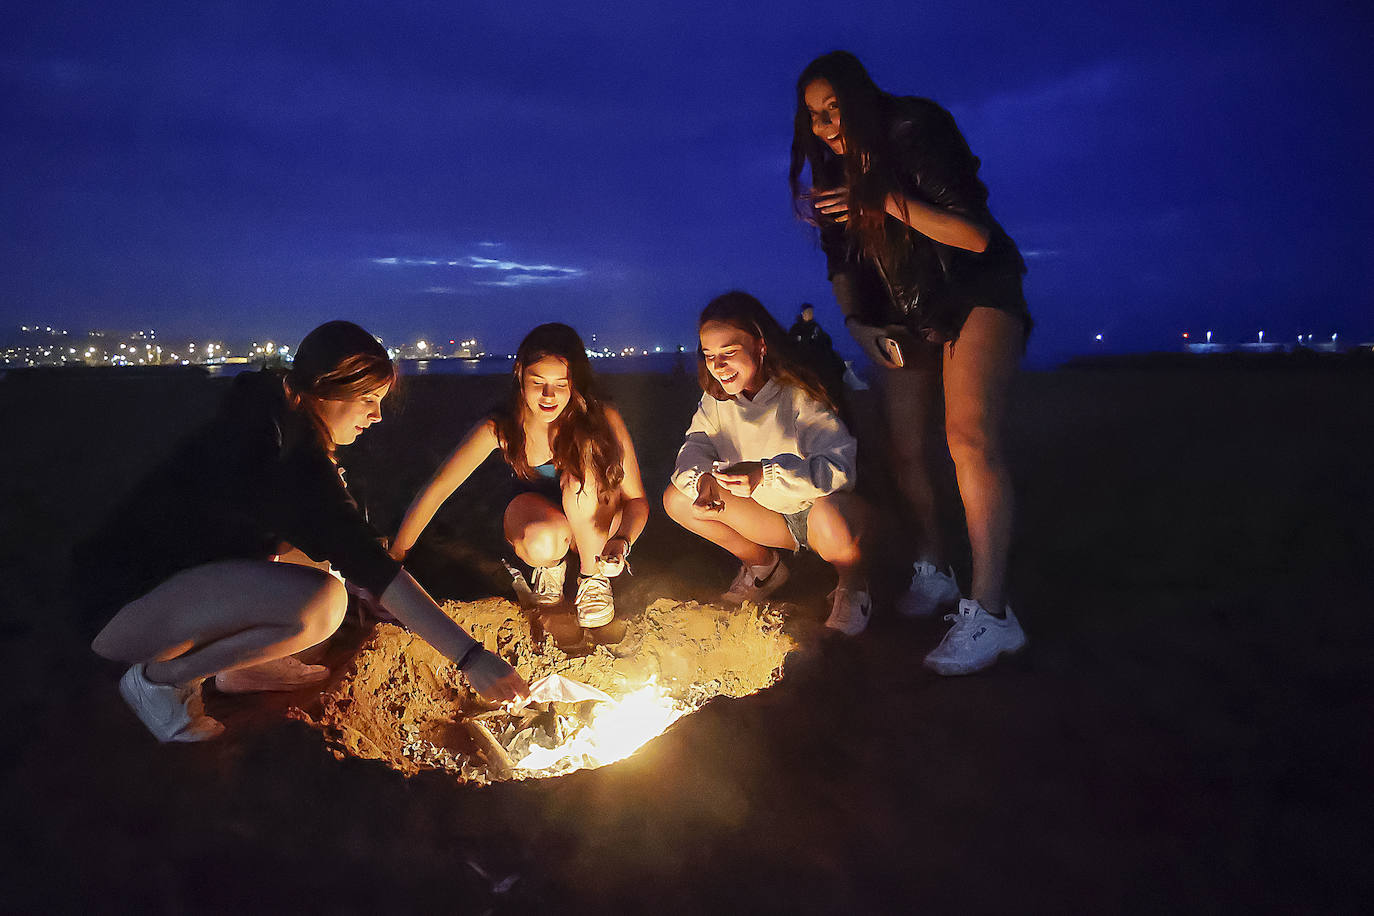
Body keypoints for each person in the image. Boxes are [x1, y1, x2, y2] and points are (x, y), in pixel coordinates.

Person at [85, 320, 528, 743]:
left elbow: (336, 542)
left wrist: (361, 571)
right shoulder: (284, 456)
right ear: (326, 388)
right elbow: (369, 563)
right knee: (322, 603)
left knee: (327, 570)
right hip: (121, 607)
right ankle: (158, 681)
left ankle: (242, 669)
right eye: (367, 398)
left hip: (176, 584)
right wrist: (471, 657)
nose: (376, 416)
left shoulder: (275, 417)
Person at [789, 50, 1030, 673]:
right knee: (901, 446)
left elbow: (974, 234)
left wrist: (882, 201)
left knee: (968, 438)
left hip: (975, 288)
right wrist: (856, 324)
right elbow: (840, 263)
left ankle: (993, 613)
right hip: (903, 311)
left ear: (861, 97)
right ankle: (935, 568)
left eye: (834, 107)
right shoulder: (832, 168)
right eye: (813, 116)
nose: (825, 125)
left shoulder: (915, 126)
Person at [390, 323, 647, 630]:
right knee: (542, 541)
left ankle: (593, 580)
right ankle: (550, 570)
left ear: (574, 383)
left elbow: (637, 501)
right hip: (541, 525)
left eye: (560, 384)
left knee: (580, 481)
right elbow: (440, 487)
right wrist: (395, 556)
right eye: (537, 382)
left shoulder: (601, 418)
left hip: (597, 530)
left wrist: (622, 541)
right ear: (520, 375)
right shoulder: (503, 426)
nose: (548, 395)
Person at [663, 291, 870, 635]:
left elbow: (840, 467)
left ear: (760, 346)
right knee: (678, 499)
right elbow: (695, 444)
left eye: (729, 352)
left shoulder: (797, 393)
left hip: (824, 511)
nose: (718, 366)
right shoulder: (717, 399)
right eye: (710, 355)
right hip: (774, 519)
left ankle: (853, 583)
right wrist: (702, 481)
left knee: (832, 521)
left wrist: (765, 474)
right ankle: (764, 568)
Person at [788, 303, 847, 405]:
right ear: (802, 313)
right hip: (802, 360)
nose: (810, 314)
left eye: (811, 312)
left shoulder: (816, 327)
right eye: (808, 312)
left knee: (836, 362)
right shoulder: (796, 328)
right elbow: (791, 344)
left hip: (817, 357)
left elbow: (825, 340)